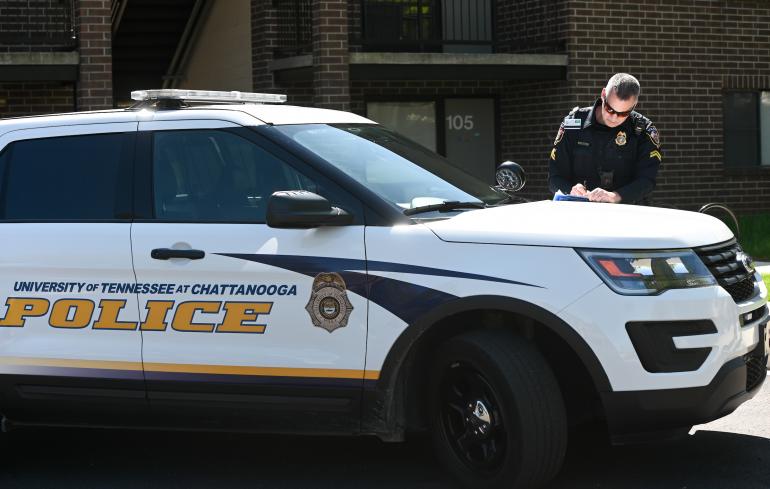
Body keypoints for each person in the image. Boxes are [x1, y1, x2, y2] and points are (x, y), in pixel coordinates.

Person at [548, 73, 661, 204]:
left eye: (623, 114)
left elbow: (647, 180)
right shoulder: (574, 124)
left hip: (627, 213)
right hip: (580, 212)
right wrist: (571, 190)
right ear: (603, 95)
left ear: (634, 106)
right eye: (609, 109)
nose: (614, 118)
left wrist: (615, 196)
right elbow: (555, 177)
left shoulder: (643, 131)